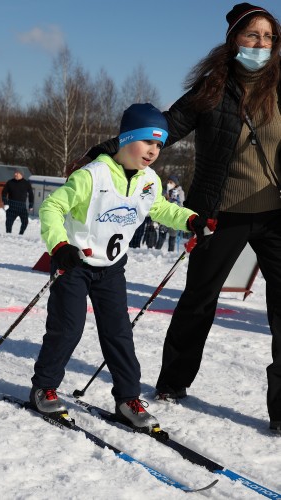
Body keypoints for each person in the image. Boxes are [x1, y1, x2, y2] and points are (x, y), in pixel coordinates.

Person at [68, 4, 281, 434]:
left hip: (276, 213)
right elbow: (163, 126)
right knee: (199, 300)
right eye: (253, 35)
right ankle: (173, 383)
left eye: (269, 37)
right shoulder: (212, 88)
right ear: (234, 39)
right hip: (219, 213)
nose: (262, 44)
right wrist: (104, 150)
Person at [29, 103, 209, 431]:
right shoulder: (92, 175)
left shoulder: (148, 181)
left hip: (111, 268)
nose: (153, 151)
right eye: (147, 142)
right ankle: (44, 387)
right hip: (74, 262)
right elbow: (52, 207)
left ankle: (128, 398)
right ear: (127, 139)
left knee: (119, 333)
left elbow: (163, 210)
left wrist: (192, 220)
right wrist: (59, 245)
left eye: (159, 145)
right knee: (68, 328)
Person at [155, 174, 186, 251]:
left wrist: (176, 199)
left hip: (174, 217)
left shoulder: (180, 192)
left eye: (171, 182)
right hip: (165, 216)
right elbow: (160, 202)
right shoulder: (165, 191)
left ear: (176, 183)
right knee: (162, 235)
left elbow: (181, 204)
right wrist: (166, 197)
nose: (169, 184)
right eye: (168, 182)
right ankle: (156, 251)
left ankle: (170, 252)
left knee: (172, 237)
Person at [2, 169, 34, 235]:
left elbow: (31, 194)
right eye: (15, 173)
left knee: (25, 222)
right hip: (11, 206)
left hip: (22, 207)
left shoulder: (26, 183)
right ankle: (8, 234)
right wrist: (5, 202)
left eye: (17, 173)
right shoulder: (10, 182)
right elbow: (4, 193)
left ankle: (20, 234)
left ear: (21, 174)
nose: (15, 174)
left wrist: (31, 205)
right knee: (9, 222)